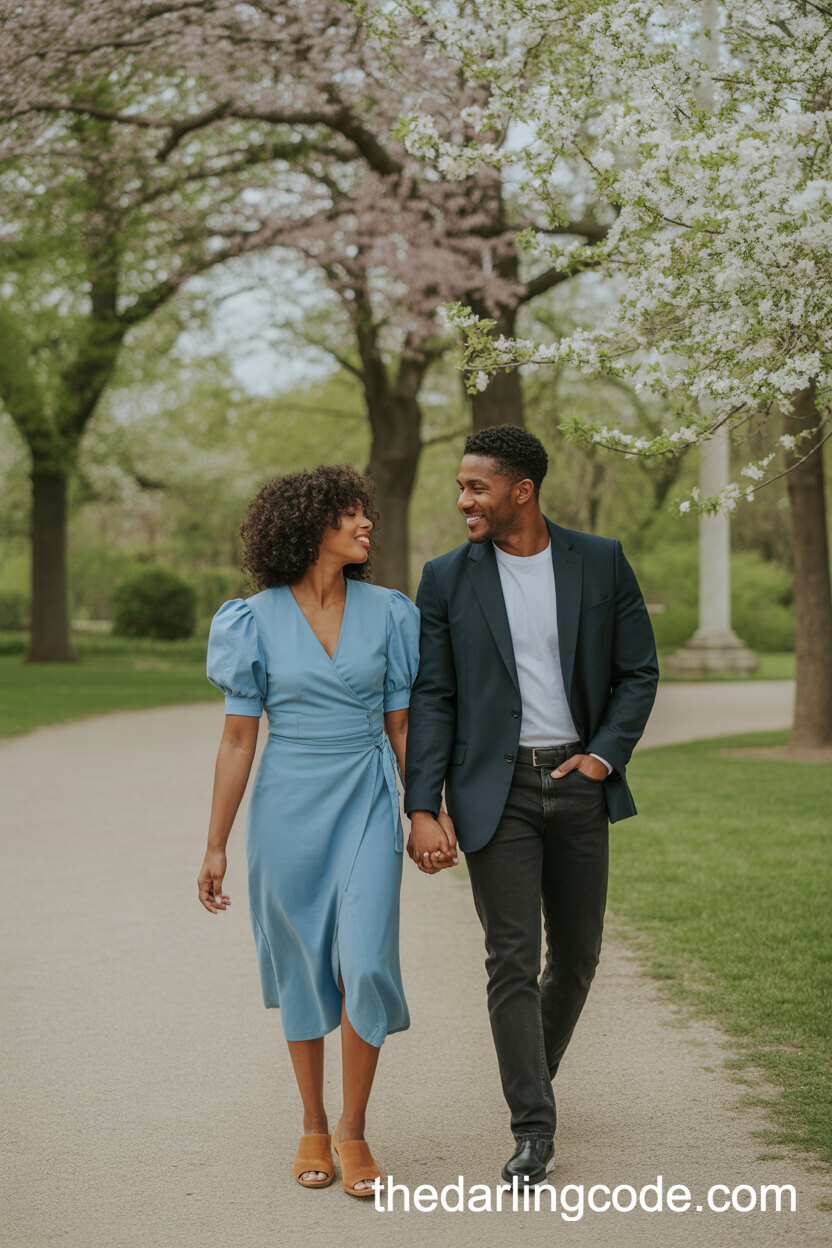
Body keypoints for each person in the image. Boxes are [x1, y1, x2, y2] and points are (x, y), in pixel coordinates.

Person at [404, 426, 659, 1187]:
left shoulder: (601, 559)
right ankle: (533, 1128)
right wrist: (423, 803)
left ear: (522, 491)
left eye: (476, 488)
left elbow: (638, 671)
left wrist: (602, 757)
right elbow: (435, 696)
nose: (462, 502)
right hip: (496, 790)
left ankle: (530, 1077)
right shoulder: (446, 578)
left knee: (577, 957)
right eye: (460, 487)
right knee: (512, 957)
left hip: (578, 781)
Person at [198, 464, 433, 1198]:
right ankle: (313, 1120)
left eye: (367, 513)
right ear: (310, 527)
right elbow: (239, 740)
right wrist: (214, 844)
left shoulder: (392, 612)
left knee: (363, 962)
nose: (367, 525)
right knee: (302, 964)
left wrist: (425, 807)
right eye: (351, 515)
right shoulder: (251, 620)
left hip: (365, 795)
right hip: (287, 805)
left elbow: (402, 726)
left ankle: (355, 1130)